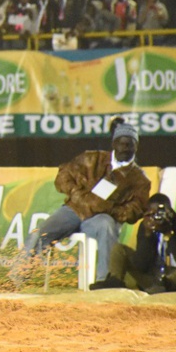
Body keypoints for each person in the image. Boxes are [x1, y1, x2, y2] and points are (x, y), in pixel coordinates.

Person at [11, 123, 151, 287]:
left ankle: (104, 283)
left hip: (102, 218)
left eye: (130, 144)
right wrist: (80, 196)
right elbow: (63, 176)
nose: (125, 148)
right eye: (122, 142)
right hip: (74, 209)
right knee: (40, 233)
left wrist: (108, 208)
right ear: (114, 144)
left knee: (107, 226)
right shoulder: (92, 158)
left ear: (137, 146)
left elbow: (136, 211)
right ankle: (16, 280)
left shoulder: (140, 179)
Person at [92, 194, 176, 293]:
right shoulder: (146, 225)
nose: (157, 217)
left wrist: (169, 233)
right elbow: (141, 265)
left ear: (170, 211)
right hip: (154, 281)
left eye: (161, 212)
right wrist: (147, 235)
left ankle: (168, 283)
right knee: (119, 249)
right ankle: (115, 281)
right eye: (152, 213)